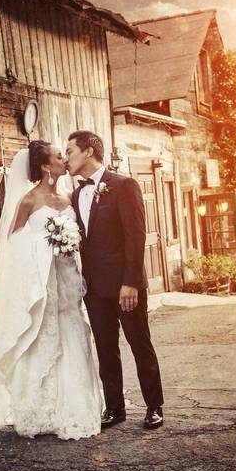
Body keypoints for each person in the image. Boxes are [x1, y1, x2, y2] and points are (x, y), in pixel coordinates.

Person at [0, 140, 104, 440]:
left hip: (67, 281)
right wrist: (47, 242)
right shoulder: (27, 201)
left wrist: (68, 241)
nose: (64, 159)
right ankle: (39, 407)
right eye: (57, 156)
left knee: (73, 334)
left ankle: (75, 405)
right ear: (44, 166)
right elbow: (12, 245)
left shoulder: (69, 196)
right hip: (42, 284)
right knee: (44, 336)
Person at [65, 130, 165, 430]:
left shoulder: (124, 185)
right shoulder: (75, 193)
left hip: (125, 286)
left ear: (89, 152)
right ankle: (114, 408)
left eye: (70, 150)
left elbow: (135, 237)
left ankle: (154, 407)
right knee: (105, 348)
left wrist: (131, 282)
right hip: (94, 289)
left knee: (139, 344)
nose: (66, 156)